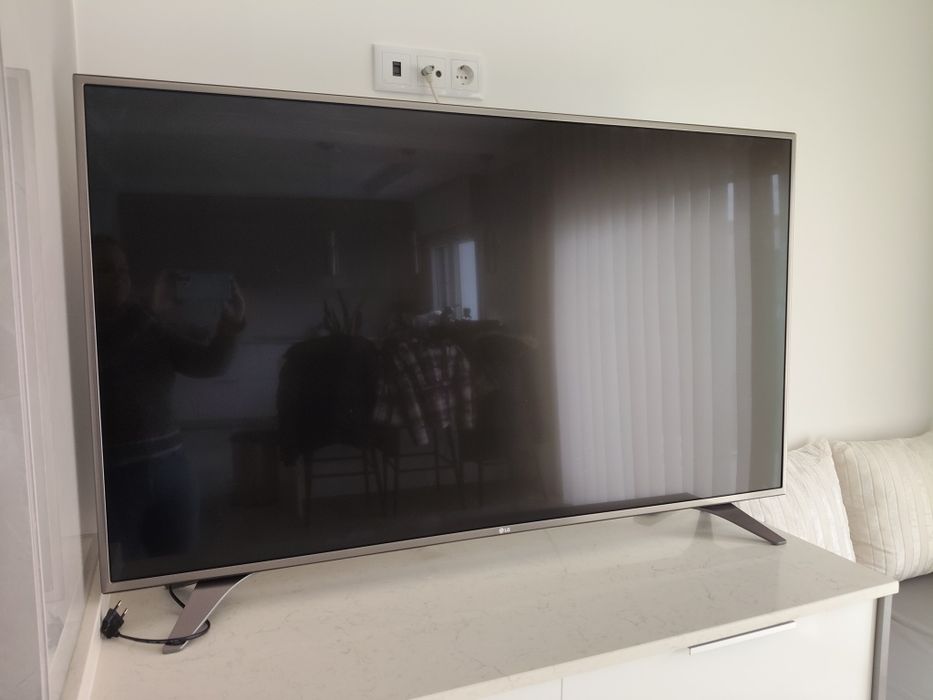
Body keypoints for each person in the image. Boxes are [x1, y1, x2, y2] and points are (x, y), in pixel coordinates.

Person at [93, 237, 246, 570]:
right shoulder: (80, 327)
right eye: (106, 269)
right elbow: (105, 361)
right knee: (125, 573)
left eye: (123, 269)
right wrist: (152, 311)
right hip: (113, 476)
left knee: (180, 571)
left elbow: (207, 364)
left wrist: (229, 328)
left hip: (172, 469)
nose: (119, 277)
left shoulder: (148, 323)